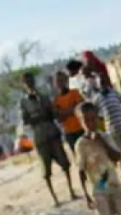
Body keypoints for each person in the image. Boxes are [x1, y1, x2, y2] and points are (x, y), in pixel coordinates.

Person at [19, 71, 76, 207]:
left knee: (65, 164)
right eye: (27, 81)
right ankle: (54, 198)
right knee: (46, 170)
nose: (30, 83)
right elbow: (26, 120)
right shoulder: (24, 102)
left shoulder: (43, 96)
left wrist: (46, 113)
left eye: (31, 80)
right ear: (24, 84)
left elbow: (52, 113)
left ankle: (71, 191)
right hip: (40, 137)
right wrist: (38, 116)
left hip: (52, 133)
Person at [90, 72, 121, 175]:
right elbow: (94, 112)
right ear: (98, 84)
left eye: (104, 81)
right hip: (111, 129)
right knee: (118, 150)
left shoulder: (114, 93)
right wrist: (99, 120)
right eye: (100, 82)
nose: (103, 83)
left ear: (107, 82)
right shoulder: (97, 98)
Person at [53, 71, 86, 154]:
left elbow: (80, 109)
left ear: (66, 80)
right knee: (78, 155)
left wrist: (63, 111)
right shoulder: (56, 100)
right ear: (55, 84)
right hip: (69, 133)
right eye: (58, 81)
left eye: (62, 80)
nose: (60, 83)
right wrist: (72, 109)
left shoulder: (75, 92)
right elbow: (59, 118)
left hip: (81, 128)